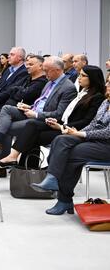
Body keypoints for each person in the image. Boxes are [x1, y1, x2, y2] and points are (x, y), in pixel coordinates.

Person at [31, 72, 110, 215]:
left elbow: (107, 132)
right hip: (93, 139)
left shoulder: (101, 99)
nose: (106, 85)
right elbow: (93, 124)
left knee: (71, 154)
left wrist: (81, 134)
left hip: (106, 145)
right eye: (107, 81)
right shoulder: (106, 102)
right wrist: (75, 132)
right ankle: (52, 178)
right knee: (61, 139)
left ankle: (64, 199)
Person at [0, 65, 106, 166]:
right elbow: (67, 113)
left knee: (31, 134)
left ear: (93, 78)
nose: (79, 78)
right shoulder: (82, 92)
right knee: (32, 126)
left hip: (72, 129)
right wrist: (54, 121)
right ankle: (22, 165)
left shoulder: (97, 97)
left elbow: (86, 121)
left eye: (83, 75)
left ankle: (20, 163)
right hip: (61, 124)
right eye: (79, 75)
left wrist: (61, 126)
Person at [0, 56, 77, 163]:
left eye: (47, 71)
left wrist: (36, 114)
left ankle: (2, 153)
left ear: (58, 70)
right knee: (7, 109)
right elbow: (42, 102)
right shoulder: (49, 82)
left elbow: (59, 114)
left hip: (46, 120)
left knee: (6, 127)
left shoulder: (68, 87)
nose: (45, 73)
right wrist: (30, 107)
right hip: (33, 112)